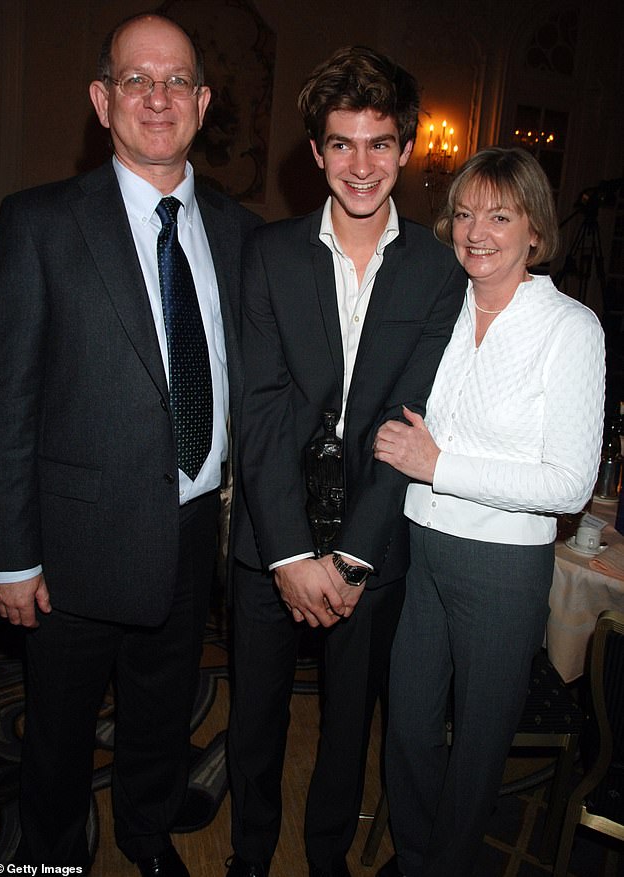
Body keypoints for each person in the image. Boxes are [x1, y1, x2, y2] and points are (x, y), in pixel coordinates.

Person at [0, 13, 260, 877]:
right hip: (71, 546)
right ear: (102, 100)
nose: (158, 96)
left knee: (161, 714)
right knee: (58, 738)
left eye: (177, 80)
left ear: (203, 102)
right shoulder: (37, 223)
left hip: (191, 535)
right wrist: (9, 557)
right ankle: (53, 858)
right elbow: (8, 403)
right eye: (136, 80)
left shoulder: (239, 230)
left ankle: (146, 838)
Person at [226, 46, 465, 877]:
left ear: (404, 148)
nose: (360, 166)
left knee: (345, 725)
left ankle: (326, 857)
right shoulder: (269, 253)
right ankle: (249, 856)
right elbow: (255, 412)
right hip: (270, 543)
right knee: (251, 720)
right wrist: (291, 555)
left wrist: (354, 556)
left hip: (373, 542)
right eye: (341, 144)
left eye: (379, 144)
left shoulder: (440, 270)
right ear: (318, 152)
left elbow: (412, 418)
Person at [373, 146, 606, 877]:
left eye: (499, 215)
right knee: (408, 725)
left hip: (504, 567)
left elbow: (570, 484)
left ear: (534, 228)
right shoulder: (442, 305)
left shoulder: (570, 326)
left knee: (477, 746)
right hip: (424, 548)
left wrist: (440, 465)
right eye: (466, 212)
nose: (477, 231)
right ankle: (414, 855)